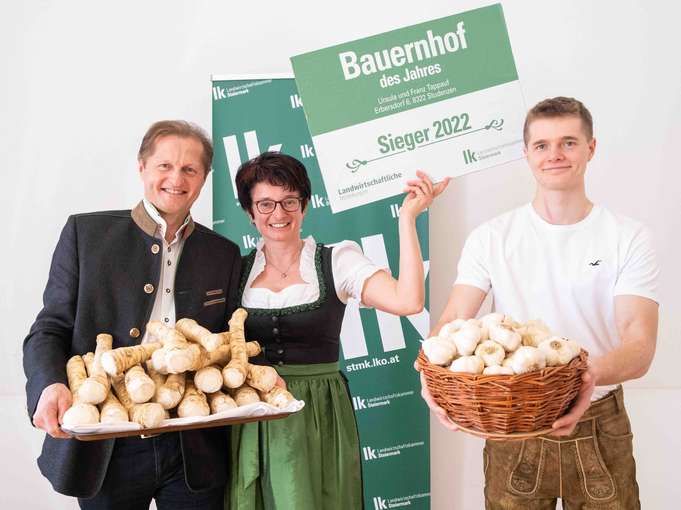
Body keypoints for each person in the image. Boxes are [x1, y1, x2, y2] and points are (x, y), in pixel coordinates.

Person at [419, 97, 659, 509]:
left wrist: (584, 378)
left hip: (600, 423)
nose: (555, 155)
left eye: (568, 142)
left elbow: (639, 345)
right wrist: (430, 376)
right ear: (526, 154)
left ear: (591, 148)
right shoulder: (492, 237)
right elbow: (455, 320)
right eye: (542, 145)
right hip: (515, 424)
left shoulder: (627, 236)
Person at [23, 120, 242, 509]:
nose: (176, 178)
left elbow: (227, 342)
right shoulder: (85, 235)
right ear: (142, 167)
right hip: (108, 444)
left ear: (204, 178)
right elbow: (50, 328)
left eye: (190, 169)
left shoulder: (222, 253)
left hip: (193, 446)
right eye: (165, 166)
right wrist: (49, 385)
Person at [227, 151, 448, 509]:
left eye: (289, 202)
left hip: (318, 410)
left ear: (305, 206)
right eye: (265, 204)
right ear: (250, 213)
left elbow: (409, 301)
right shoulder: (235, 271)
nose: (278, 214)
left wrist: (407, 218)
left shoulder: (337, 260)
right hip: (253, 410)